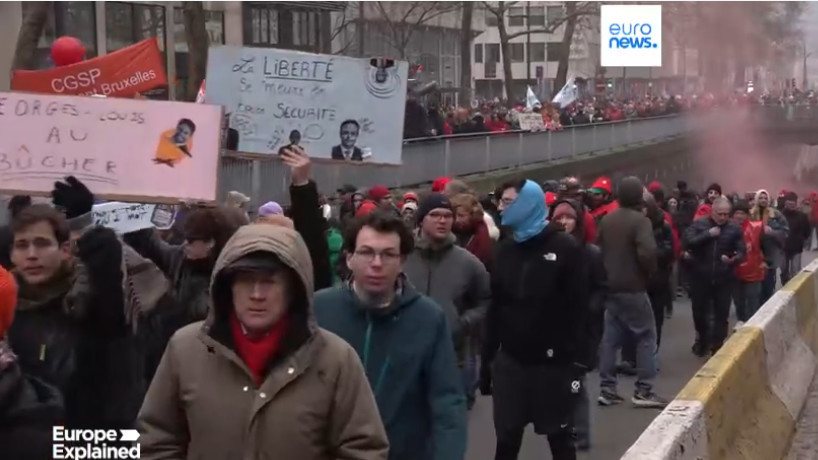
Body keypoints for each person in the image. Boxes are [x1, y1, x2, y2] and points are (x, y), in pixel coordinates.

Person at [137, 224, 389, 459]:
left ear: (293, 289)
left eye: (269, 282)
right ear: (228, 286)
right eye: (246, 280)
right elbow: (156, 439)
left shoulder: (335, 359)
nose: (257, 295)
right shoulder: (186, 349)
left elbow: (363, 449)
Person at [314, 211, 468, 460]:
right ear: (350, 258)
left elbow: (447, 400)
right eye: (367, 252)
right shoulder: (320, 309)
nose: (377, 263)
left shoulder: (428, 318)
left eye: (388, 254)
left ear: (402, 261)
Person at [481, 179, 589, 460]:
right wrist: (487, 360)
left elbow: (581, 307)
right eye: (500, 202)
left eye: (507, 202)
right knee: (506, 441)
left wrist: (580, 360)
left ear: (528, 204)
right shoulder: (504, 249)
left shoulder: (565, 248)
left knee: (560, 440)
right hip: (511, 363)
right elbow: (496, 306)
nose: (500, 208)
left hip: (554, 366)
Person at [403, 193, 491, 411]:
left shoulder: (468, 263)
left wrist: (463, 322)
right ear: (421, 220)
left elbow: (485, 300)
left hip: (451, 357)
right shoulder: (401, 255)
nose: (442, 221)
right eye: (435, 215)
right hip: (404, 354)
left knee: (449, 418)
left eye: (447, 216)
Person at [596, 176, 667, 408]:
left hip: (611, 287)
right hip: (633, 286)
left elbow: (598, 249)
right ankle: (644, 390)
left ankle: (607, 388)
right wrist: (650, 273)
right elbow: (647, 253)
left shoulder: (607, 220)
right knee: (646, 336)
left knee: (610, 338)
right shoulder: (640, 221)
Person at [549, 198, 606, 451]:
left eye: (568, 217)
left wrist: (587, 310)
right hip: (553, 330)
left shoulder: (591, 254)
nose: (563, 222)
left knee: (575, 384)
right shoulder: (548, 252)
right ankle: (562, 428)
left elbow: (601, 289)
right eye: (559, 217)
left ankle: (579, 432)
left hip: (581, 333)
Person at [684, 197, 746, 357]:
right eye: (720, 214)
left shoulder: (734, 229)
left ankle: (717, 345)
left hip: (724, 278)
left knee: (721, 314)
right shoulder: (699, 224)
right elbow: (688, 241)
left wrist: (734, 259)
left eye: (726, 214)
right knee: (700, 313)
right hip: (701, 277)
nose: (723, 217)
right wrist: (708, 235)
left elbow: (742, 251)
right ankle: (702, 340)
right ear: (712, 212)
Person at [732, 200, 769, 328]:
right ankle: (741, 322)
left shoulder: (757, 227)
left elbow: (766, 246)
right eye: (736, 213)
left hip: (754, 271)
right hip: (734, 271)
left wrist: (766, 261)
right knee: (738, 302)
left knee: (752, 301)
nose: (739, 216)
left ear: (747, 215)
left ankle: (752, 327)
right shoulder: (728, 228)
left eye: (742, 213)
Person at [750, 189, 789, 303]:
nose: (763, 200)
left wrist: (772, 232)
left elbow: (785, 231)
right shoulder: (751, 214)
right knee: (755, 289)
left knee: (768, 286)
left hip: (771, 256)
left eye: (765, 198)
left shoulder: (776, 214)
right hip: (754, 255)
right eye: (760, 198)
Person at [780, 191, 811, 286]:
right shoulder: (780, 215)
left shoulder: (802, 216)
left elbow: (807, 230)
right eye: (789, 204)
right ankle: (785, 286)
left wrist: (803, 240)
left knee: (795, 271)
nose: (791, 206)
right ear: (785, 203)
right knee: (784, 270)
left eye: (793, 204)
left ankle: (794, 288)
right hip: (783, 247)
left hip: (797, 247)